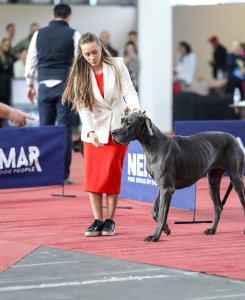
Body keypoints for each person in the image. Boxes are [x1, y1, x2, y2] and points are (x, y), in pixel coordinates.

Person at [62, 32, 140, 237]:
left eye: (94, 52)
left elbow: (129, 91)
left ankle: (110, 221)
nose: (91, 57)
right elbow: (82, 106)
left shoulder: (117, 64)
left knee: (112, 175)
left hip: (117, 128)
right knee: (93, 178)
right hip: (94, 129)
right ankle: (97, 220)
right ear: (81, 54)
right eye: (86, 54)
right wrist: (88, 130)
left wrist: (135, 111)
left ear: (101, 47)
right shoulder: (80, 72)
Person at [25, 4, 81, 184]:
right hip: (64, 85)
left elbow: (31, 60)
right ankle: (62, 175)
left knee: (45, 129)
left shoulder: (38, 34)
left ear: (53, 15)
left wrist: (29, 85)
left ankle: (44, 173)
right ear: (68, 17)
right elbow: (79, 63)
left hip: (43, 85)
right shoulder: (74, 34)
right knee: (64, 130)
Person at [0, 37, 15, 128]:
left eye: (8, 45)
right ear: (2, 45)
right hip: (0, 85)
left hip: (7, 85)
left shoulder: (10, 56)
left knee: (7, 105)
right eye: (5, 45)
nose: (6, 46)